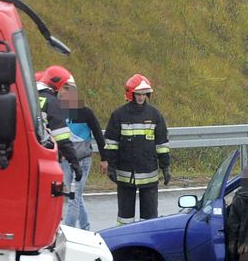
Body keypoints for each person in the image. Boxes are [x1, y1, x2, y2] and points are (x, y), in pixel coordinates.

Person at [104, 74, 170, 225]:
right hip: (126, 175)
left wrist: (166, 168)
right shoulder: (119, 115)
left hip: (149, 175)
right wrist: (111, 166)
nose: (141, 97)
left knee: (149, 219)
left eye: (144, 94)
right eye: (138, 94)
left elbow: (162, 144)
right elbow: (111, 143)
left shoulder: (155, 115)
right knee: (125, 219)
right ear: (131, 94)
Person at [58, 77, 108, 230]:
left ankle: (69, 232)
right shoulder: (59, 112)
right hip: (65, 161)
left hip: (83, 160)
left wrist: (104, 158)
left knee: (73, 197)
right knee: (76, 196)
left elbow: (99, 135)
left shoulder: (86, 113)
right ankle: (85, 227)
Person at [39, 65, 82, 183]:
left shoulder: (30, 97)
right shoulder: (52, 102)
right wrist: (74, 161)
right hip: (46, 158)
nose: (66, 94)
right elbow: (62, 138)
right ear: (57, 86)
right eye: (66, 88)